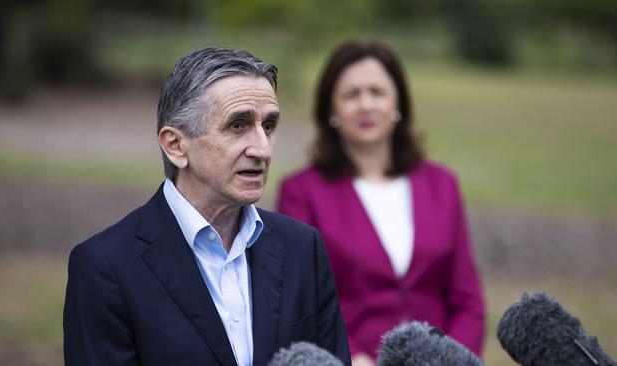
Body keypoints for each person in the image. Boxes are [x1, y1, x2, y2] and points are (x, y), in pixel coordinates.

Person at [63, 46, 351, 366]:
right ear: (176, 146)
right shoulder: (106, 267)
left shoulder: (302, 248)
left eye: (268, 126)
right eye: (238, 125)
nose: (262, 148)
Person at [277, 40, 485, 366]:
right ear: (330, 109)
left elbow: (468, 300)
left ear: (398, 102)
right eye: (351, 94)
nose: (366, 105)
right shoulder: (301, 192)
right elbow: (305, 298)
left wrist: (454, 360)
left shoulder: (442, 185)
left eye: (377, 92)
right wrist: (356, 358)